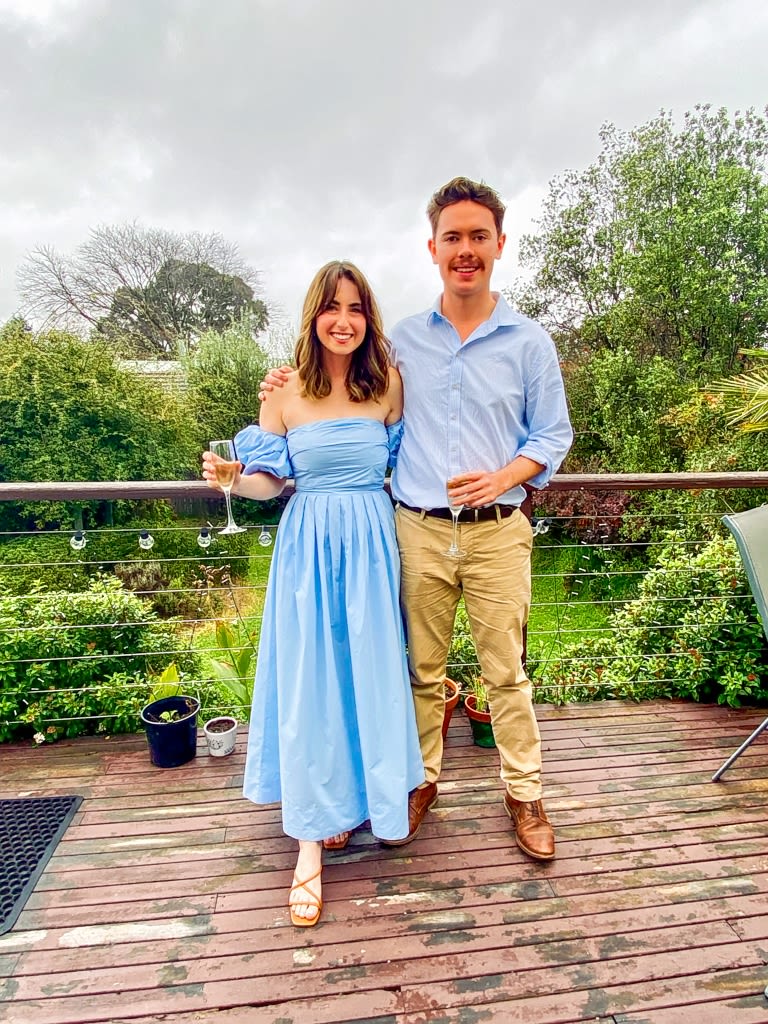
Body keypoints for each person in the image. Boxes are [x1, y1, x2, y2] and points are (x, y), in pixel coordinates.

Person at [261, 177, 573, 863]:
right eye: (453, 238)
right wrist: (281, 389)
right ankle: (419, 781)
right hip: (416, 530)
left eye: (478, 237)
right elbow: (346, 389)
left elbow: (552, 437)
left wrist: (504, 476)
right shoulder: (401, 342)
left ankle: (524, 794)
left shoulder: (530, 342)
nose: (466, 250)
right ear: (433, 248)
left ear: (498, 244)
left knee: (507, 675)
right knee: (421, 673)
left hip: (498, 530)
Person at [203, 260, 424, 928]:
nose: (344, 320)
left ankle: (360, 805)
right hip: (308, 550)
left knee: (368, 676)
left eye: (356, 308)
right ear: (314, 316)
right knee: (310, 684)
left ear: (369, 319)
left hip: (370, 543)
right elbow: (270, 483)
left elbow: (408, 466)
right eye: (332, 307)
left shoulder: (388, 385)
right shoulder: (284, 392)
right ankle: (307, 842)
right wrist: (235, 479)